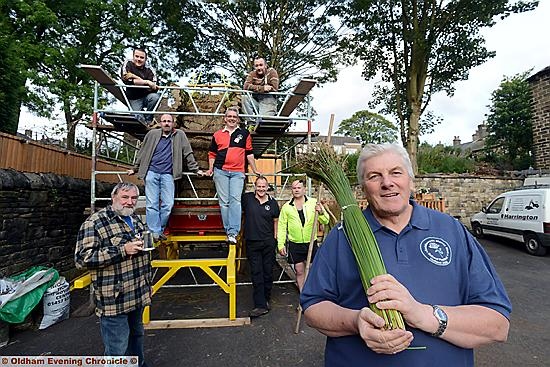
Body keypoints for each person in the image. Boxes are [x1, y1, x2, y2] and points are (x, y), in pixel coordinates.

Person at [300, 143, 512, 367]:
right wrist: (355, 322)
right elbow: (313, 308)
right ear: (363, 189)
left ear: (411, 181)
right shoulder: (342, 237)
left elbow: (497, 324)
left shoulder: (451, 230)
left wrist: (422, 314)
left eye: (396, 172)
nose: (387, 183)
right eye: (374, 176)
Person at [74, 182, 151, 367]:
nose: (129, 202)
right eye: (125, 197)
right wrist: (122, 250)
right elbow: (83, 259)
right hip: (114, 297)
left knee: (136, 337)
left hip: (137, 294)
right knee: (117, 347)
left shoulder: (136, 220)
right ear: (113, 198)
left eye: (133, 198)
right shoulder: (95, 222)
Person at [128, 114, 203, 242]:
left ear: (173, 123)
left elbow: (188, 152)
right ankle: (155, 232)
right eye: (164, 121)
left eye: (169, 121)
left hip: (168, 174)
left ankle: (158, 230)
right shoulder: (152, 134)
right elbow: (143, 152)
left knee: (168, 204)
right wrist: (135, 168)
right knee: (152, 204)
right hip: (151, 172)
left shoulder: (179, 135)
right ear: (160, 123)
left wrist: (195, 169)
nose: (166, 123)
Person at [205, 107, 261, 243]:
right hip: (221, 171)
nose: (231, 119)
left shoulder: (244, 133)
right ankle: (228, 230)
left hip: (237, 172)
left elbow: (249, 153)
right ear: (225, 118)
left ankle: (233, 232)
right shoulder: (217, 134)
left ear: (238, 119)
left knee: (235, 201)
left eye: (234, 117)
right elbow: (212, 154)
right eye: (229, 116)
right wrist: (210, 169)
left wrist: (254, 169)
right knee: (224, 202)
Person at [277, 179, 329, 291]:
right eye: (294, 188)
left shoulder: (314, 203)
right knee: (299, 270)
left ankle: (313, 293)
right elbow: (281, 226)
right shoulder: (287, 207)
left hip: (311, 242)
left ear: (304, 189)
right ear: (292, 190)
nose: (296, 190)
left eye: (299, 188)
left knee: (312, 269)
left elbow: (326, 220)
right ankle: (303, 296)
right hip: (295, 243)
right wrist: (281, 244)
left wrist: (321, 212)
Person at [242, 176, 280, 318]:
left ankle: (266, 298)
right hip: (252, 242)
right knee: (256, 273)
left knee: (268, 272)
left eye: (264, 186)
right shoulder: (247, 199)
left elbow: (276, 221)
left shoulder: (273, 203)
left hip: (268, 242)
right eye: (259, 186)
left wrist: (275, 238)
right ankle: (260, 305)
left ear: (267, 187)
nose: (261, 189)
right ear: (255, 186)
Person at [121, 47, 160, 125]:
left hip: (146, 97)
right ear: (133, 56)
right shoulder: (128, 63)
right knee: (137, 118)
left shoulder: (150, 70)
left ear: (145, 59)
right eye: (137, 56)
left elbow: (154, 87)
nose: (139, 59)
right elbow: (126, 80)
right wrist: (146, 82)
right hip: (133, 98)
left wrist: (134, 77)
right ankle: (147, 120)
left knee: (155, 97)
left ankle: (149, 119)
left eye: (142, 57)